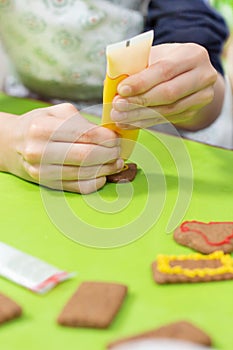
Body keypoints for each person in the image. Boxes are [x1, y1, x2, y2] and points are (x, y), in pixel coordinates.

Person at [0, 0, 230, 194]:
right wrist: (9, 139)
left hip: (159, 129)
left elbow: (206, 100)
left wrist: (185, 93)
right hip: (26, 109)